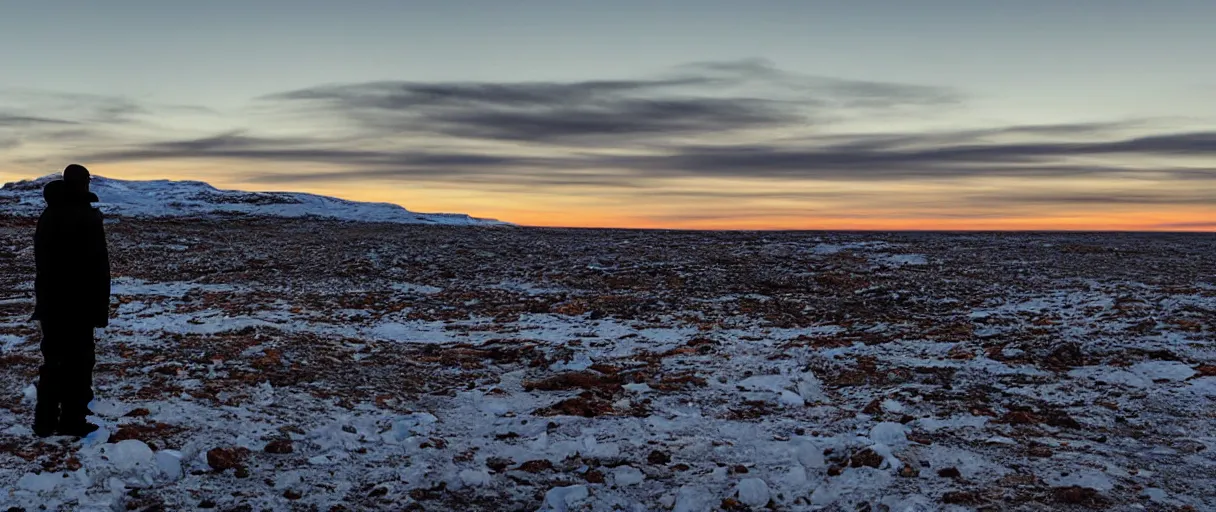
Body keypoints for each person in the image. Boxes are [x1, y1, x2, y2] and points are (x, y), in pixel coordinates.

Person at [31, 164, 111, 438]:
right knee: (78, 364)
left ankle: (44, 421)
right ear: (83, 183)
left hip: (52, 304)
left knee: (53, 362)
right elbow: (98, 268)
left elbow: (43, 261)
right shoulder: (86, 217)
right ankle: (72, 421)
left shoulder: (49, 214)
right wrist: (100, 309)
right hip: (78, 305)